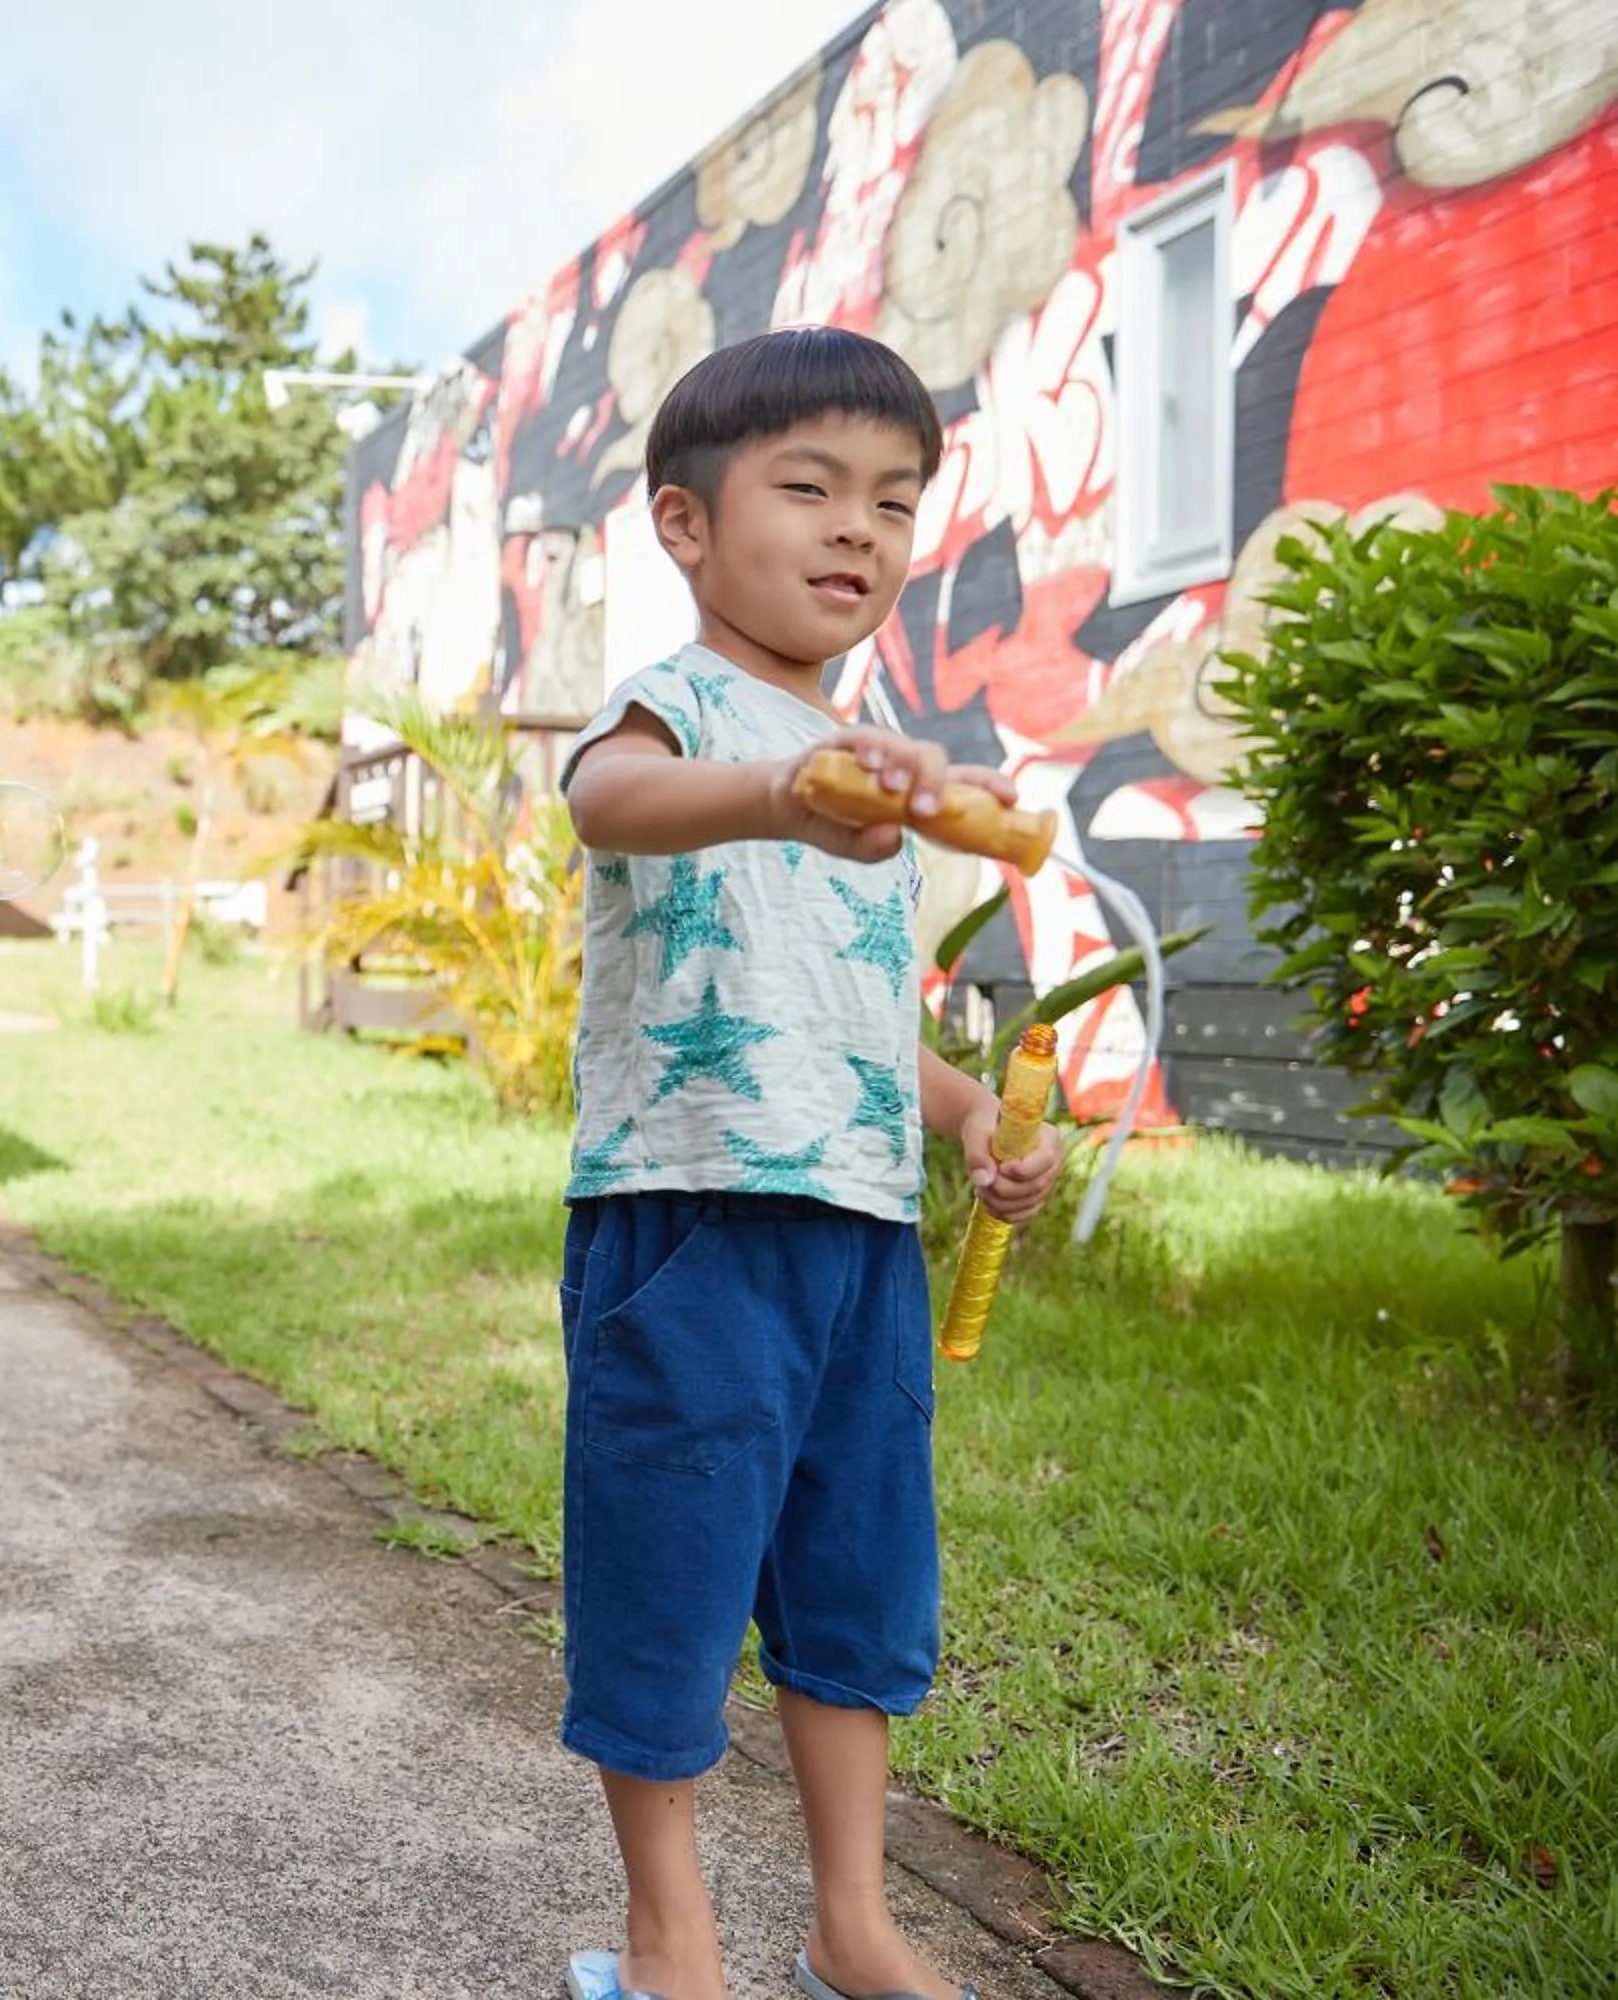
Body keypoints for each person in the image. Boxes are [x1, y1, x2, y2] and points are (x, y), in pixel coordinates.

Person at [552, 329, 1067, 2000]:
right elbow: (608, 804)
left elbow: (850, 1012)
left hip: (860, 1240)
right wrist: (782, 785)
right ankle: (667, 1934)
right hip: (690, 1224)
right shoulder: (681, 714)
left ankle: (854, 1920)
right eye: (813, 486)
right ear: (687, 525)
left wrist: (969, 1113)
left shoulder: (881, 768)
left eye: (897, 502)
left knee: (856, 1583)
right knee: (671, 1578)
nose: (863, 529)